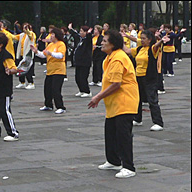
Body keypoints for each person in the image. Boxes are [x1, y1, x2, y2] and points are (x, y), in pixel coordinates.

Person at [88, 29, 139, 179]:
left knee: (123, 136)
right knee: (110, 132)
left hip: (124, 102)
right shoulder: (110, 57)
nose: (101, 43)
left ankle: (129, 167)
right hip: (114, 104)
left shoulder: (118, 58)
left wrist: (97, 97)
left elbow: (116, 83)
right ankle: (113, 161)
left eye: (104, 41)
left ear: (113, 44)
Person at [122, 30, 167, 131]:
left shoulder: (152, 49)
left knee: (152, 100)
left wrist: (161, 41)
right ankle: (137, 119)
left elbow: (156, 46)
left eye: (144, 38)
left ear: (149, 39)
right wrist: (120, 41)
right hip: (138, 77)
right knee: (137, 99)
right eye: (141, 38)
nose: (141, 40)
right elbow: (127, 51)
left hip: (149, 78)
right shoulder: (139, 49)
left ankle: (158, 122)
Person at [31, 28, 67, 114]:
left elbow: (60, 55)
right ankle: (48, 105)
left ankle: (60, 107)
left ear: (57, 35)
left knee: (56, 89)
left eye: (53, 34)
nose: (51, 36)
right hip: (50, 70)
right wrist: (36, 52)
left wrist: (51, 54)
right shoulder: (50, 45)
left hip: (59, 70)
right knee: (47, 89)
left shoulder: (61, 44)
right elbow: (43, 55)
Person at [69, 23, 93, 98]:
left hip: (85, 62)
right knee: (77, 77)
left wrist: (89, 33)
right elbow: (75, 34)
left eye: (82, 31)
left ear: (86, 32)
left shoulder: (87, 40)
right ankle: (81, 90)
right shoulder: (80, 40)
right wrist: (70, 28)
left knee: (83, 77)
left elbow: (89, 38)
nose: (80, 32)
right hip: (79, 62)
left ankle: (87, 91)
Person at [14, 23, 36, 90]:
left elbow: (30, 36)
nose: (24, 29)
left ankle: (31, 83)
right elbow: (14, 37)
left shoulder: (32, 34)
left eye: (26, 27)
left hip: (27, 54)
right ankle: (22, 82)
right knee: (20, 68)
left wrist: (28, 31)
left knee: (27, 69)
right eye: (24, 27)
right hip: (21, 54)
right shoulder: (22, 35)